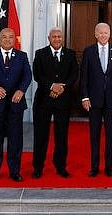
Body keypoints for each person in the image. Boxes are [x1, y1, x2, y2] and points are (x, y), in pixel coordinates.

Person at [0, 27, 32, 183]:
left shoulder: (22, 56)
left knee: (15, 139)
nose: (8, 39)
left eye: (11, 37)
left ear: (14, 40)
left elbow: (27, 75)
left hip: (16, 104)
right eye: (4, 37)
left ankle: (15, 171)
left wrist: (21, 90)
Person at [31, 27, 78, 179]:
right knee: (41, 136)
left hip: (63, 102)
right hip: (43, 101)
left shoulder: (70, 54)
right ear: (48, 38)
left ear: (62, 38)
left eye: (59, 36)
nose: (57, 39)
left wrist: (61, 88)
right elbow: (37, 75)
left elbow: (74, 74)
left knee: (61, 137)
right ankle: (38, 167)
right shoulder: (40, 53)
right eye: (54, 36)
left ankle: (61, 167)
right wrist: (52, 86)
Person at [79, 22, 112, 177]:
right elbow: (84, 77)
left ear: (110, 34)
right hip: (94, 101)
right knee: (94, 135)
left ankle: (109, 167)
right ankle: (94, 167)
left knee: (111, 135)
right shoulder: (88, 52)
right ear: (95, 34)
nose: (104, 35)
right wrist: (84, 97)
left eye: (106, 32)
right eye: (101, 33)